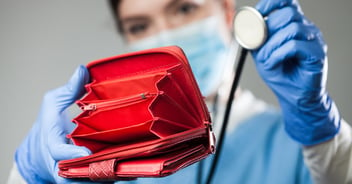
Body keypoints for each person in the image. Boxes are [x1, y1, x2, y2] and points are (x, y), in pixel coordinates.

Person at [8, 0, 352, 183]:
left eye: (184, 8)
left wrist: (321, 134)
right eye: (140, 26)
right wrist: (27, 176)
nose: (167, 37)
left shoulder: (302, 146)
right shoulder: (108, 153)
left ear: (226, 11)